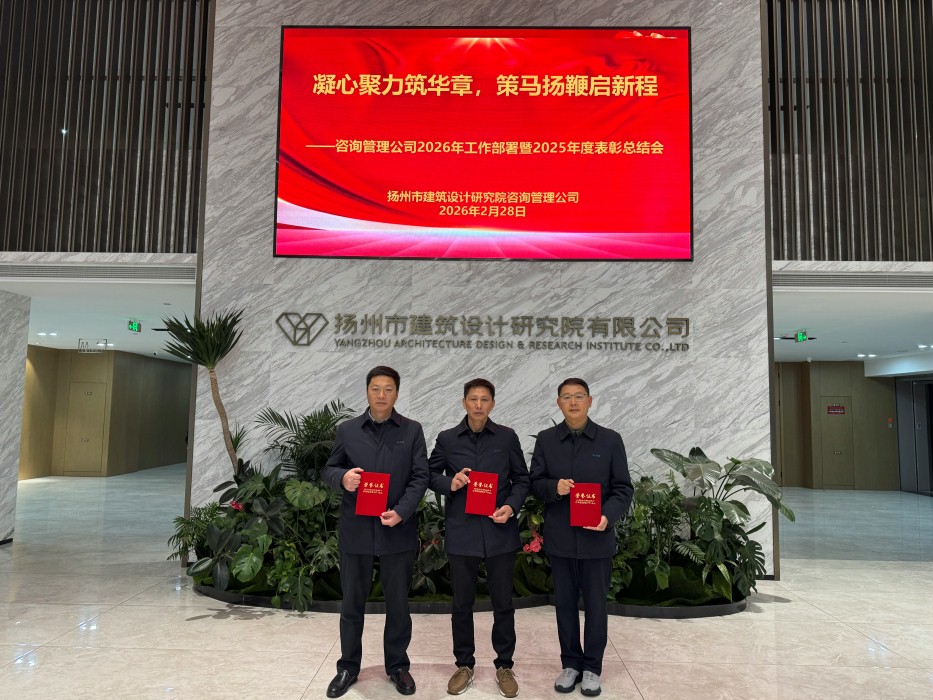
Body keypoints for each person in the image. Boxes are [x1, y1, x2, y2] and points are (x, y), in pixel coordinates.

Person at [323, 366, 429, 698]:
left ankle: (397, 666)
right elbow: (329, 469)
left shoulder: (412, 430)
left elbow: (420, 477)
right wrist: (342, 479)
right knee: (352, 603)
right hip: (356, 529)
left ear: (396, 393)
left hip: (396, 529)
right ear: (367, 391)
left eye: (388, 389)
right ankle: (347, 667)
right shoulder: (348, 430)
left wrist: (402, 511)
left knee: (398, 604)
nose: (381, 395)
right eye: (375, 388)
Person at [529, 378, 633, 698]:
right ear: (558, 403)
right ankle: (571, 663)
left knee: (596, 606)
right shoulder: (547, 440)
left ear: (590, 401)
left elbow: (623, 488)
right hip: (561, 538)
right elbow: (534, 483)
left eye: (579, 396)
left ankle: (592, 668)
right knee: (564, 604)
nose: (573, 402)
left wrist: (607, 516)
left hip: (596, 539)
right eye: (566, 397)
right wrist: (554, 488)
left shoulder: (610, 440)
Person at [428, 378, 529, 697]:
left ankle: (504, 665)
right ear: (464, 402)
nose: (478, 404)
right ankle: (464, 664)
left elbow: (522, 479)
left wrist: (511, 507)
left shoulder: (507, 437)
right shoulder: (447, 439)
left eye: (485, 399)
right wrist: (451, 483)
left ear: (492, 404)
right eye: (473, 399)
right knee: (462, 603)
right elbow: (429, 474)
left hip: (499, 531)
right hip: (463, 531)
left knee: (503, 603)